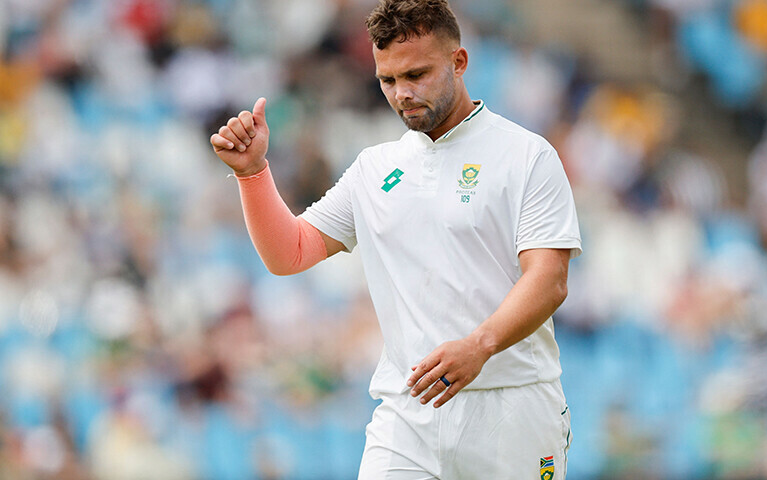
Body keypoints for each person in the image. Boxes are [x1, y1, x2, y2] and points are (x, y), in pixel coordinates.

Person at [209, 0, 581, 478]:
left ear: (459, 62)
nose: (402, 93)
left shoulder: (526, 156)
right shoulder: (375, 168)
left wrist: (480, 345)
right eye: (388, 81)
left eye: (417, 75)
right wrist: (254, 173)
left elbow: (549, 280)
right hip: (408, 415)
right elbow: (291, 252)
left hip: (511, 407)